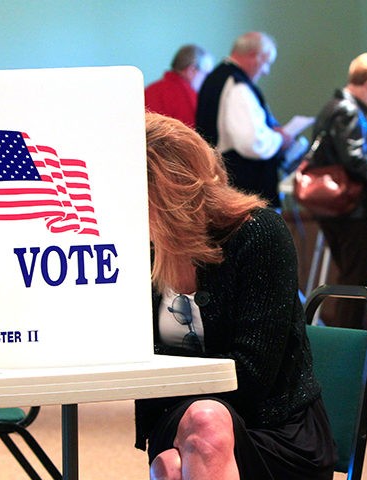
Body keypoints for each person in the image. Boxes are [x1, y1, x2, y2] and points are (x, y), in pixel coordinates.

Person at [134, 112, 337, 480]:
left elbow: (252, 375)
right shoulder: (140, 249)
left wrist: (155, 366)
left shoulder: (258, 234)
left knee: (183, 453)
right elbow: (125, 350)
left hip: (275, 426)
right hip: (178, 417)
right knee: (188, 440)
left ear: (168, 196)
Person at [310, 53, 367, 329]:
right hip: (354, 208)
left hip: (332, 207)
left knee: (348, 278)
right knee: (356, 284)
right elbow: (355, 159)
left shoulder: (330, 107)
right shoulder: (349, 111)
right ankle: (353, 356)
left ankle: (347, 353)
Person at [195, 31, 293, 208]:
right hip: (243, 189)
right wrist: (279, 139)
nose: (266, 71)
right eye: (266, 63)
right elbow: (251, 143)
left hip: (220, 180)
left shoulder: (215, 78)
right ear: (254, 56)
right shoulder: (237, 85)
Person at [145, 44, 214, 128]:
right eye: (206, 74)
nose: (207, 79)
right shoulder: (187, 96)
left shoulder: (150, 89)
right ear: (191, 70)